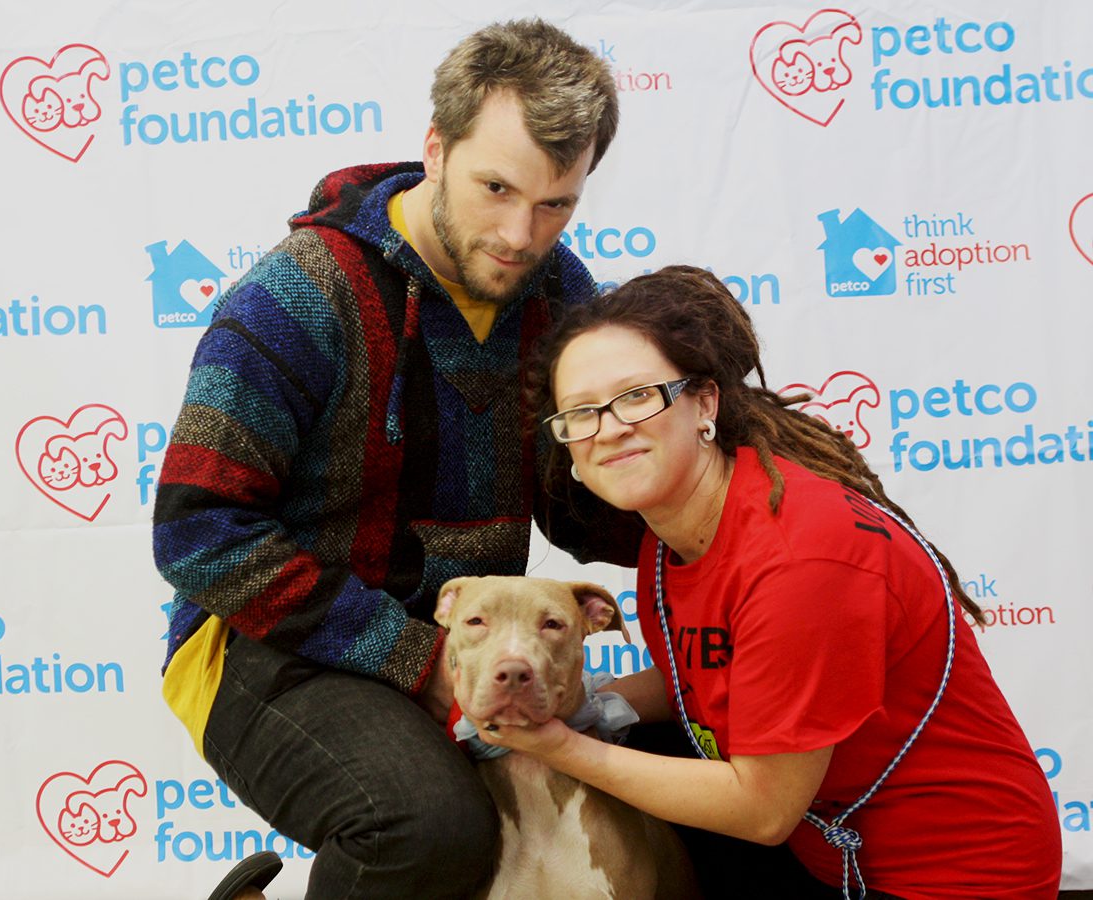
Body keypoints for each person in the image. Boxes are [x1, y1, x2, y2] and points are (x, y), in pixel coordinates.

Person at [152, 19, 636, 900]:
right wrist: (421, 662)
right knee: (428, 825)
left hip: (473, 640)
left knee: (674, 764)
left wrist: (741, 534)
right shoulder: (294, 296)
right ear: (436, 150)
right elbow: (199, 534)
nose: (522, 234)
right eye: (496, 188)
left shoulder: (561, 293)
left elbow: (581, 504)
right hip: (269, 641)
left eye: (556, 204)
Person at [479, 265, 1063, 899]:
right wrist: (580, 698)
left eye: (637, 397)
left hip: (958, 876)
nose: (610, 427)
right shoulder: (671, 534)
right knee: (636, 741)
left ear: (704, 402)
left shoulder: (800, 556)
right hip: (828, 856)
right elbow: (713, 678)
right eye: (581, 413)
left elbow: (761, 810)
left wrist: (557, 741)